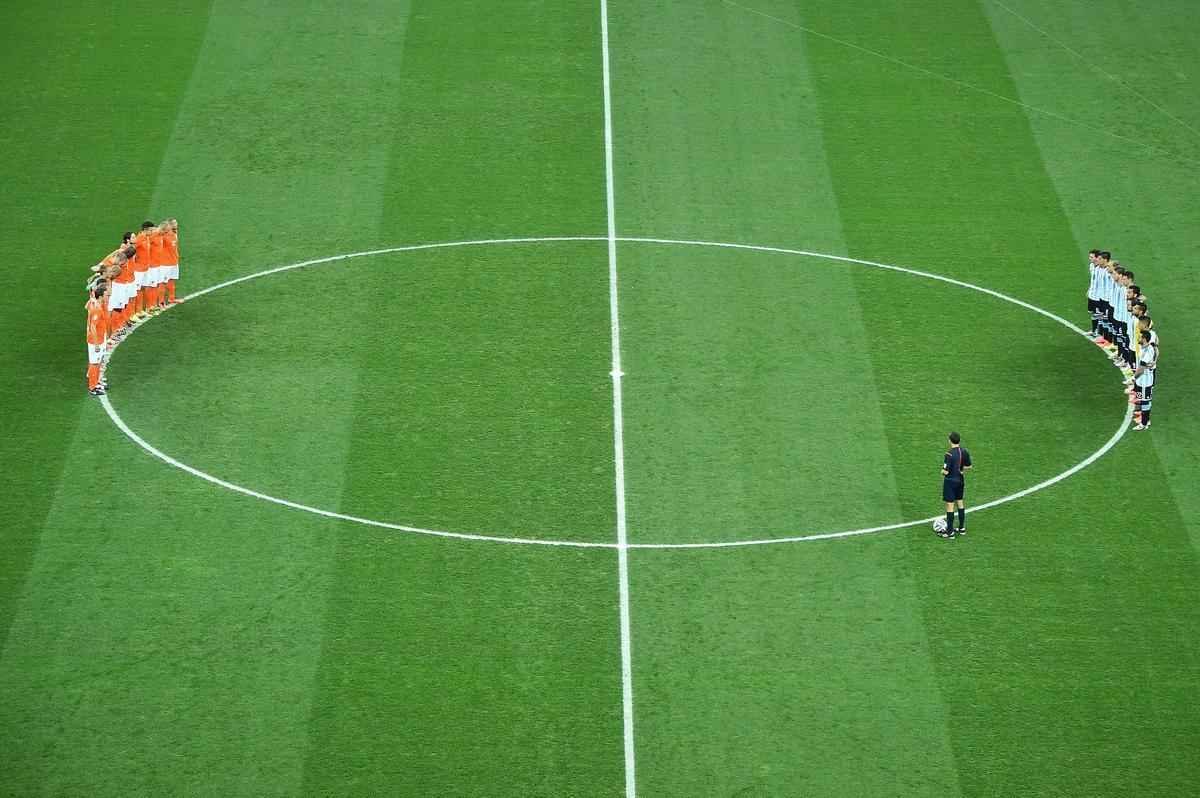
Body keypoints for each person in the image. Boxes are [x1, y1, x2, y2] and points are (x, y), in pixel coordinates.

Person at [939, 431, 973, 538]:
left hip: (950, 482)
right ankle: (962, 528)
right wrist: (960, 469)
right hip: (960, 480)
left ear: (950, 441)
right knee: (960, 503)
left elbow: (945, 471)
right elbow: (969, 466)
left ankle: (950, 532)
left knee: (950, 505)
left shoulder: (949, 454)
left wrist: (942, 471)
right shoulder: (964, 451)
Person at [1132, 329, 1158, 431]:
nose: (1138, 337)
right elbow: (1157, 350)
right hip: (1141, 380)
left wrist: (1133, 378)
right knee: (1141, 399)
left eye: (1140, 336)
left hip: (1145, 381)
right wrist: (1155, 360)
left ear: (1144, 339)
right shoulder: (1145, 347)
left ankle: (1144, 423)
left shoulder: (1148, 351)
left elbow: (1142, 369)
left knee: (1145, 402)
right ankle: (1144, 418)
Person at [86, 284, 108, 396]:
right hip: (96, 340)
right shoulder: (97, 309)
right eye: (106, 294)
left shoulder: (95, 304)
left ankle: (96, 382)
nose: (108, 296)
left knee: (98, 362)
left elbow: (87, 306)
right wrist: (96, 344)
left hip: (101, 337)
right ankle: (92, 387)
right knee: (94, 363)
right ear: (101, 296)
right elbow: (93, 327)